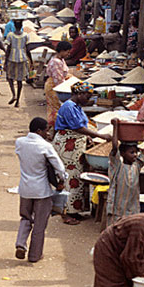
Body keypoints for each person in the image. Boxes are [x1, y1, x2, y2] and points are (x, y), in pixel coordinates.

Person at [53, 81, 112, 224]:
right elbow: (78, 127)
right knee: (69, 178)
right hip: (68, 145)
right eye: (87, 95)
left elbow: (81, 127)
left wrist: (88, 137)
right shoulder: (69, 107)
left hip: (75, 145)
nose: (89, 99)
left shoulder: (77, 107)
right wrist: (100, 136)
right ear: (79, 94)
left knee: (77, 178)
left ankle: (75, 210)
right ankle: (65, 213)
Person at [14, 117, 67, 263]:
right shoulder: (45, 146)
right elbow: (60, 168)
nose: (47, 134)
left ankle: (20, 244)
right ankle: (34, 255)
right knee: (39, 223)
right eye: (46, 130)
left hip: (25, 189)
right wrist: (62, 180)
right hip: (41, 191)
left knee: (25, 217)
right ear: (39, 131)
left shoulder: (19, 143)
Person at [106, 119, 144, 225]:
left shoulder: (137, 165)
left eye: (136, 152)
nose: (135, 155)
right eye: (131, 152)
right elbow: (115, 146)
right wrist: (115, 126)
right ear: (123, 153)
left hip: (132, 208)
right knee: (114, 232)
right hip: (117, 208)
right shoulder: (117, 166)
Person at [4, 20, 33, 107]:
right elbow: (28, 49)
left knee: (10, 77)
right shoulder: (26, 35)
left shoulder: (10, 35)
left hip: (12, 58)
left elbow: (8, 49)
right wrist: (31, 60)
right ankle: (18, 101)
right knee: (20, 80)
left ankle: (14, 94)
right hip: (22, 58)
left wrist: (5, 62)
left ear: (14, 26)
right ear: (21, 26)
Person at [44, 41, 72, 127]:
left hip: (56, 85)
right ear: (62, 51)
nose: (69, 54)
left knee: (55, 108)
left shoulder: (61, 60)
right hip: (54, 86)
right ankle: (54, 128)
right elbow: (58, 80)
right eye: (67, 51)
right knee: (55, 109)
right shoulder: (56, 62)